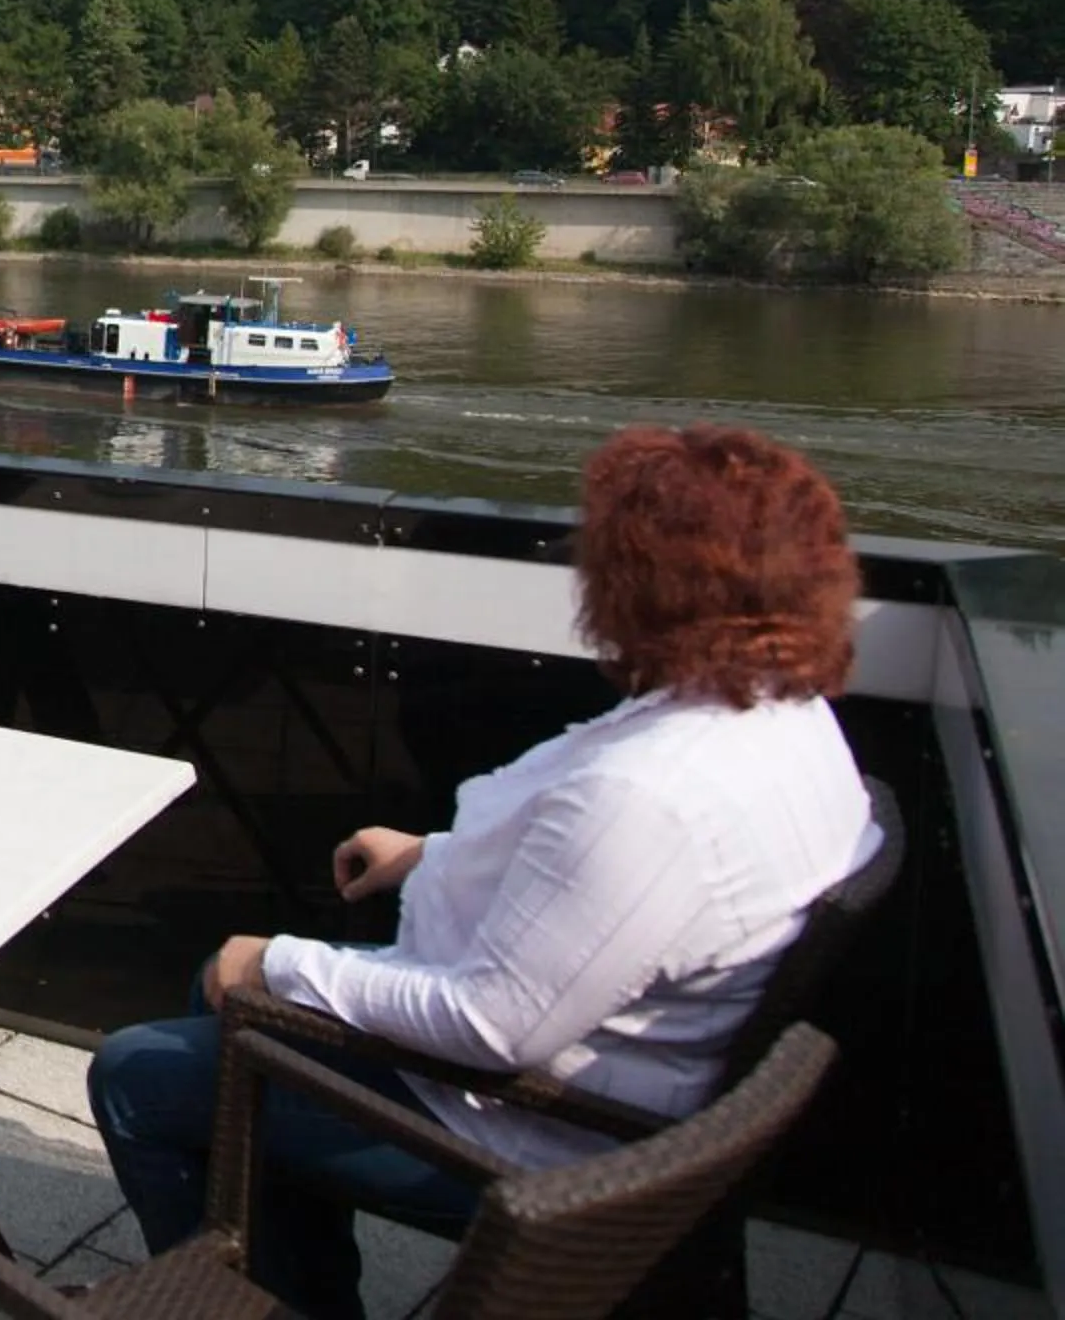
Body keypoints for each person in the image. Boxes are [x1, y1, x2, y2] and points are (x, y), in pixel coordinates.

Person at [90, 423, 879, 1320]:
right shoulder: (788, 717)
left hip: (539, 1139)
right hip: (632, 1092)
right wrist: (435, 855)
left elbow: (493, 1028)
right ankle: (296, 1288)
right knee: (221, 1016)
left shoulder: (649, 794)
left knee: (139, 1072)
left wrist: (276, 962)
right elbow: (621, 898)